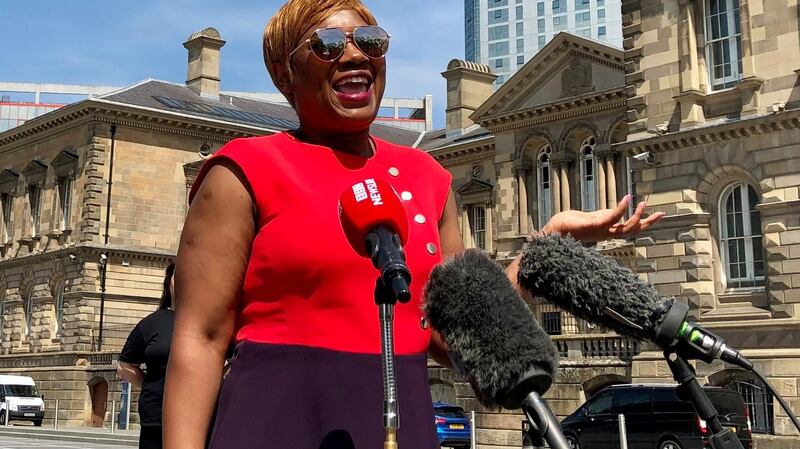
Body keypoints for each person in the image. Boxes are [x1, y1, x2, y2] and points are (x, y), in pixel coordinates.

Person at [162, 1, 664, 448]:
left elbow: (455, 337)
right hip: (275, 421)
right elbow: (200, 339)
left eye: (371, 41)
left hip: (403, 425)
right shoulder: (243, 170)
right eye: (328, 44)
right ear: (284, 71)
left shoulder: (429, 177)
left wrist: (544, 248)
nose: (355, 54)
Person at [118, 261, 176, 449]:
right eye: (178, 274)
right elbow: (124, 365)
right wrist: (150, 385)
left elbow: (234, 359)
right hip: (156, 416)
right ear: (169, 282)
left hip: (201, 414)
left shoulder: (212, 320)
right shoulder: (152, 323)